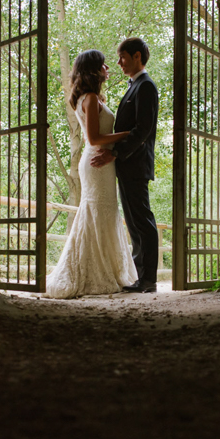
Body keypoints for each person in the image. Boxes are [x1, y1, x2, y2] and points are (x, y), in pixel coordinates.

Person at [45, 50, 138, 299]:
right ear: (93, 69)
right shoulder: (91, 97)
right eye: (103, 64)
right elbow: (94, 138)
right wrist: (128, 134)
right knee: (98, 211)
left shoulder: (89, 97)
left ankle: (105, 266)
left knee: (102, 212)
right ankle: (92, 271)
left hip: (99, 161)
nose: (108, 67)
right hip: (97, 161)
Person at [91, 37, 159, 293]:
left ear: (137, 57)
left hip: (136, 164)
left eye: (122, 57)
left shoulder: (146, 87)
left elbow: (142, 130)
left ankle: (149, 280)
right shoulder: (135, 86)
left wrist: (115, 154)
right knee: (133, 222)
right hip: (128, 165)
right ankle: (142, 276)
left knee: (142, 220)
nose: (118, 62)